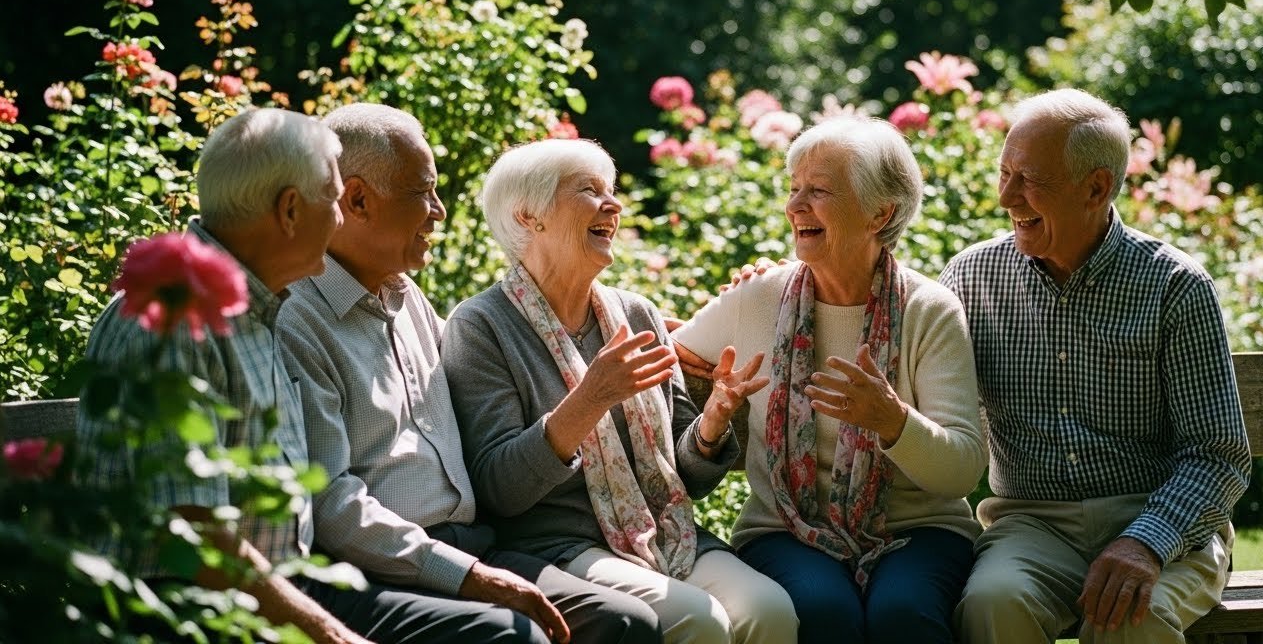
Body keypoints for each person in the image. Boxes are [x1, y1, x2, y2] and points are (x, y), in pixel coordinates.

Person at [276, 103, 662, 644]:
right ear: (358, 199)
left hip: (474, 545)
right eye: (422, 192)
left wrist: (670, 343)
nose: (438, 211)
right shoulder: (298, 321)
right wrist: (469, 575)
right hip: (389, 565)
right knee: (529, 633)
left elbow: (510, 353)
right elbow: (332, 506)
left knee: (624, 622)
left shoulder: (403, 295)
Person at [443, 138, 798, 644]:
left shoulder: (635, 314)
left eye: (611, 190)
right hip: (561, 547)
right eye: (589, 191)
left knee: (769, 611)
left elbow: (687, 474)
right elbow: (498, 489)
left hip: (666, 530)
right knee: (699, 620)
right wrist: (589, 400)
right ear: (528, 216)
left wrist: (713, 422)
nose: (614, 205)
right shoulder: (481, 326)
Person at [939, 88, 1252, 643]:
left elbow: (1217, 454)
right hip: (1031, 525)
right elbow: (907, 352)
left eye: (1027, 179)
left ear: (1096, 188)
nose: (1004, 196)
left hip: (1160, 522)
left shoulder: (1174, 286)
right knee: (993, 604)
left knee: (1132, 621)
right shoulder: (971, 278)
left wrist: (1146, 541)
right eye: (1003, 172)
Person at [670, 115, 986, 644]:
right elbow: (664, 349)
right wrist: (709, 396)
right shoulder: (759, 298)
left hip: (917, 532)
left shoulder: (929, 311)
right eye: (794, 190)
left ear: (880, 212)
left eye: (818, 192)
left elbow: (961, 469)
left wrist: (893, 421)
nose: (795, 207)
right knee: (823, 611)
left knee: (902, 615)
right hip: (783, 530)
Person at [77, 108, 372, 644]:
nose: (339, 218)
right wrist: (331, 635)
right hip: (188, 620)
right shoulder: (173, 321)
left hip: (270, 599)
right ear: (289, 210)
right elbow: (194, 535)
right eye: (332, 200)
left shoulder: (253, 309)